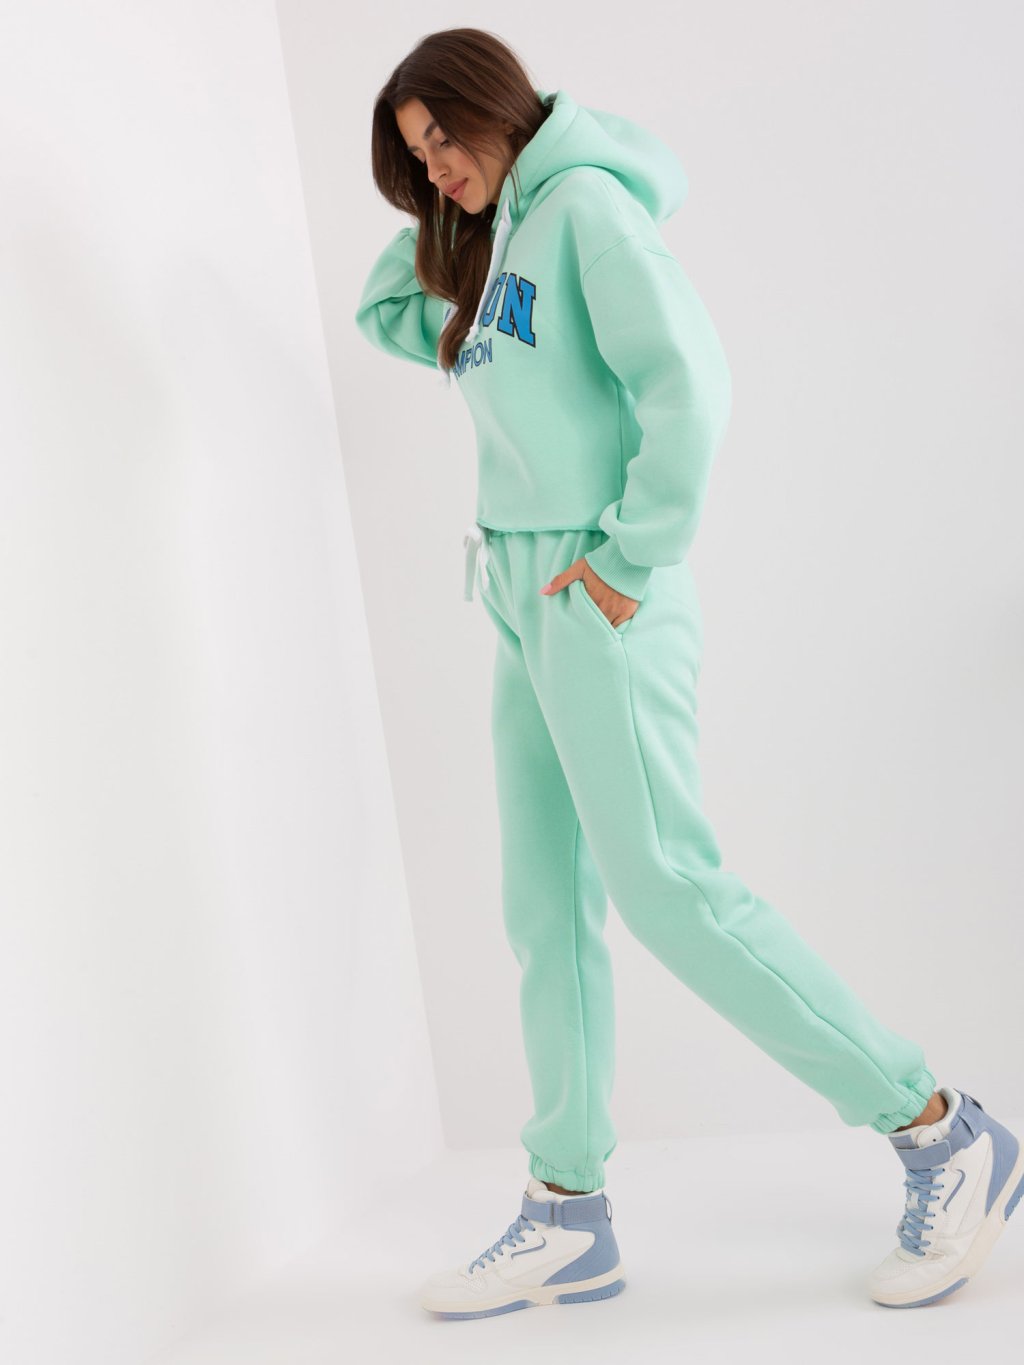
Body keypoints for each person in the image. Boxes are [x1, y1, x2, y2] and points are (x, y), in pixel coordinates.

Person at [353, 27, 1024, 1321]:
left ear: (502, 103)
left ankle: (941, 1129)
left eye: (445, 137)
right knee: (544, 905)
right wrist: (443, 202)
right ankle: (567, 1211)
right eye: (416, 153)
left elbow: (691, 384)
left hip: (599, 589)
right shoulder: (491, 245)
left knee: (672, 890)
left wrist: (629, 555)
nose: (434, 168)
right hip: (517, 595)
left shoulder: (588, 211)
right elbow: (390, 312)